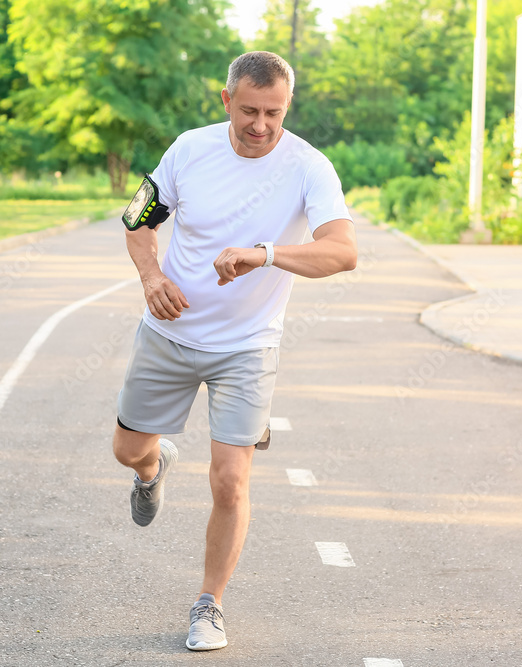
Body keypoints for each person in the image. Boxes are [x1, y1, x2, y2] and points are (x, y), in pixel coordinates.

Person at [111, 50, 357, 651]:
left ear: (287, 107)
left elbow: (343, 252)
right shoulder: (189, 150)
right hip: (168, 332)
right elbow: (137, 219)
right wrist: (150, 278)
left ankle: (208, 605)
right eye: (249, 110)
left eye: (274, 112)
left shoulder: (309, 167)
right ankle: (153, 468)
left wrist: (265, 253)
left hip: (247, 348)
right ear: (226, 100)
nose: (261, 125)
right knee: (127, 451)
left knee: (231, 481)